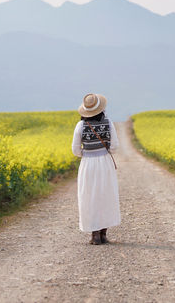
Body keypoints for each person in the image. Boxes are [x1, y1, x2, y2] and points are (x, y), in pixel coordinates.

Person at [71, 93, 121, 245]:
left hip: (88, 164)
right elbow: (114, 147)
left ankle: (95, 235)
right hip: (104, 163)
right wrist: (102, 149)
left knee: (89, 196)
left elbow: (75, 150)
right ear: (101, 109)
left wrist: (87, 152)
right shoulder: (108, 122)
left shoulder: (80, 126)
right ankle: (104, 234)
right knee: (106, 195)